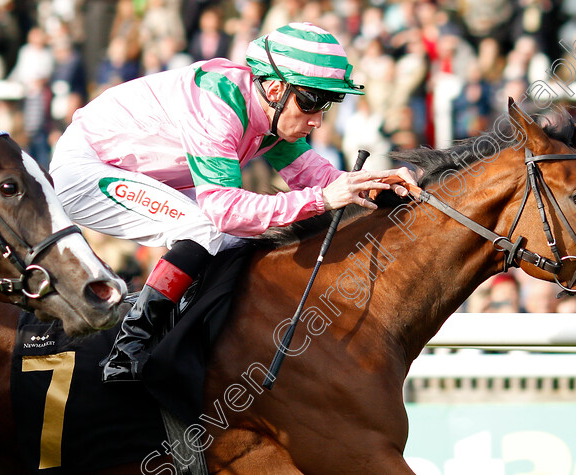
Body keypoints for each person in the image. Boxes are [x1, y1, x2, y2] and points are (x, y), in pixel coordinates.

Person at [49, 22, 416, 383]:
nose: (317, 120)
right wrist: (321, 200)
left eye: (327, 104)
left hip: (142, 174)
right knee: (206, 226)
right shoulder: (219, 104)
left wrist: (381, 184)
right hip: (86, 168)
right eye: (311, 101)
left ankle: (191, 337)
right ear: (275, 88)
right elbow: (224, 209)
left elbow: (321, 178)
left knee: (238, 239)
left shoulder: (271, 115)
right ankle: (128, 349)